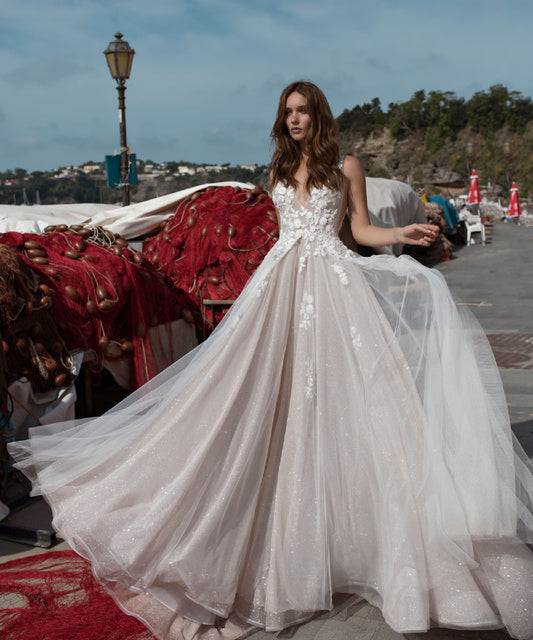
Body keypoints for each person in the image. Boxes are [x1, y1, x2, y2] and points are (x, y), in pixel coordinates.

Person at [8, 81, 533, 640]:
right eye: (288, 112)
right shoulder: (278, 171)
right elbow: (281, 236)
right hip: (280, 286)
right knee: (261, 397)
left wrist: (400, 232)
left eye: (303, 111)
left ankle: (367, 534)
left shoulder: (346, 166)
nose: (295, 120)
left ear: (319, 115)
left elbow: (356, 231)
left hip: (334, 287)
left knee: (360, 404)